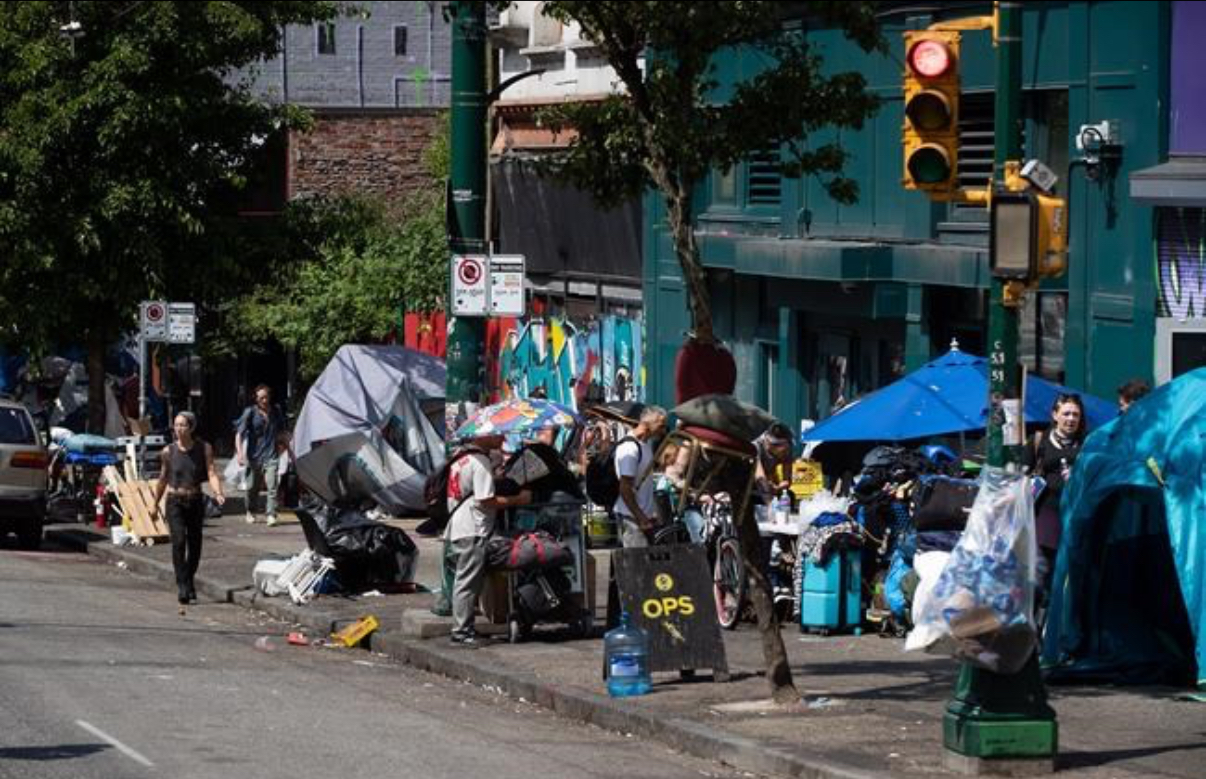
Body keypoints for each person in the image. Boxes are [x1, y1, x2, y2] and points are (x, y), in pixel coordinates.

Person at [446, 433, 531, 647]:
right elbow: (486, 500)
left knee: (464, 581)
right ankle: (462, 632)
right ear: (485, 435)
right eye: (497, 433)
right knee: (467, 583)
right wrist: (517, 499)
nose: (502, 436)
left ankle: (464, 628)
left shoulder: (462, 457)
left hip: (460, 525)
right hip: (472, 527)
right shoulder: (480, 461)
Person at [152, 412, 225, 611]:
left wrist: (218, 492)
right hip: (174, 501)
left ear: (191, 427)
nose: (178, 429)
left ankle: (189, 579)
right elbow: (162, 479)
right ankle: (183, 586)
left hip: (195, 500)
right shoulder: (168, 451)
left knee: (195, 545)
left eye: (183, 425)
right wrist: (154, 504)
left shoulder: (204, 448)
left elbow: (211, 472)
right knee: (179, 542)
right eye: (176, 425)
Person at [1028, 393, 1087, 599]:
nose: (1071, 419)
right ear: (1055, 415)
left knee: (1067, 577)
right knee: (1041, 575)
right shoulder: (1039, 440)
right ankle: (1036, 623)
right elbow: (1022, 473)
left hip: (1074, 517)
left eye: (1076, 415)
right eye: (1066, 413)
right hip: (1045, 516)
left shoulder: (1087, 444)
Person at [612, 406, 668, 548]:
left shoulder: (645, 445)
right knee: (636, 565)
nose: (663, 431)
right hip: (632, 520)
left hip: (643, 519)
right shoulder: (629, 448)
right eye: (661, 426)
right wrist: (640, 517)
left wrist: (650, 514)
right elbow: (625, 487)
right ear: (646, 424)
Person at [235, 384, 286, 526]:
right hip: (254, 457)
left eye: (266, 397)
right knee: (252, 488)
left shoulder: (276, 411)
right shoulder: (250, 412)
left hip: (272, 455)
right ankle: (251, 511)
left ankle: (271, 514)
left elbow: (282, 432)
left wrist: (286, 448)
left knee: (272, 486)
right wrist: (240, 453)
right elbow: (239, 434)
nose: (265, 400)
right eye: (261, 398)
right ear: (256, 399)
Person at [753, 422, 794, 505]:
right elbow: (760, 477)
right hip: (750, 483)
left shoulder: (786, 449)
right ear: (769, 442)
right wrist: (770, 504)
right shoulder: (756, 447)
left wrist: (781, 486)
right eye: (783, 450)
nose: (785, 452)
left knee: (789, 497)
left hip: (770, 482)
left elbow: (786, 479)